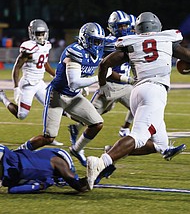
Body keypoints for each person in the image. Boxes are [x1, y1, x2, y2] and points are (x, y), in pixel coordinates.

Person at [86, 12, 188, 190]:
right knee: (139, 137)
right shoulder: (167, 39)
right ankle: (102, 161)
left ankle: (114, 150)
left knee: (160, 144)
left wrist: (102, 86)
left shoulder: (131, 43)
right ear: (157, 26)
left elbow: (104, 64)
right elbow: (187, 56)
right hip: (154, 91)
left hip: (137, 91)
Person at [17, 22, 109, 167]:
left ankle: (77, 149)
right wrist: (99, 78)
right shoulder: (74, 51)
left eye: (99, 41)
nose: (97, 45)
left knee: (97, 123)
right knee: (48, 137)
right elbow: (74, 83)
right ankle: (17, 153)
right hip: (57, 96)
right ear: (85, 39)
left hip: (74, 97)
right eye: (94, 41)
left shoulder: (98, 52)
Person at [68, 10, 136, 144]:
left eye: (125, 25)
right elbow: (91, 56)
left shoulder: (130, 39)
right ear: (111, 27)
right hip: (110, 84)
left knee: (140, 104)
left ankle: (126, 129)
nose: (123, 29)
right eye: (120, 26)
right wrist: (82, 77)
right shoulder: (107, 42)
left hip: (125, 86)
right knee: (92, 114)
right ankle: (75, 127)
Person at [0, 19, 62, 146]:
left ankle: (49, 135)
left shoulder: (47, 45)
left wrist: (55, 75)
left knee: (52, 106)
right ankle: (3, 98)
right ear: (32, 34)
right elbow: (16, 68)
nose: (40, 36)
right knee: (21, 115)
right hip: (27, 85)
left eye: (42, 33)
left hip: (39, 83)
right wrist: (16, 88)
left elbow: (44, 63)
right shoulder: (28, 49)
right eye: (38, 33)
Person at [0, 144, 89, 193]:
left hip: (10, 172)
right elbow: (76, 183)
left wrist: (42, 185)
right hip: (9, 163)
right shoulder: (56, 160)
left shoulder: (46, 176)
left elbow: (12, 189)